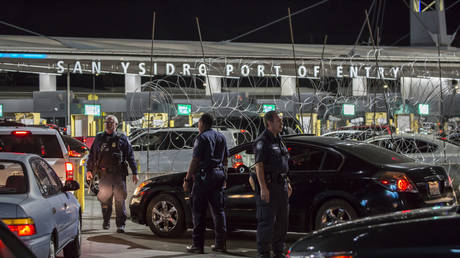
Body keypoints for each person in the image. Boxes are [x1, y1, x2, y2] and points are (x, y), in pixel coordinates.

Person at [183, 113, 229, 254]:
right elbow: (226, 159)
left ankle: (198, 245)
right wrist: (224, 176)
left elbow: (195, 160)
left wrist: (187, 179)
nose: (198, 126)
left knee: (198, 212)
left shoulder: (201, 138)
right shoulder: (221, 137)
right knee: (219, 212)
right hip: (218, 176)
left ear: (202, 123)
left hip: (204, 178)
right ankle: (220, 244)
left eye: (198, 123)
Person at [86, 115, 138, 233]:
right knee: (105, 200)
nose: (108, 124)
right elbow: (92, 155)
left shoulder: (122, 138)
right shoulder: (99, 138)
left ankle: (121, 225)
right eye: (106, 122)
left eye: (111, 122)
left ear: (116, 124)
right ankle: (106, 221)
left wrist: (135, 172)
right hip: (104, 175)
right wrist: (89, 170)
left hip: (119, 175)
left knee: (120, 200)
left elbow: (130, 156)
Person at [253, 111, 292, 258]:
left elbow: (284, 163)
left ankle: (278, 251)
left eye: (281, 121)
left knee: (282, 221)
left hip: (281, 185)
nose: (281, 123)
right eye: (278, 121)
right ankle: (264, 253)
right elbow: (259, 165)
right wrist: (263, 187)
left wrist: (287, 182)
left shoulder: (279, 139)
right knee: (267, 221)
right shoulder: (263, 141)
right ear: (269, 123)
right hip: (269, 185)